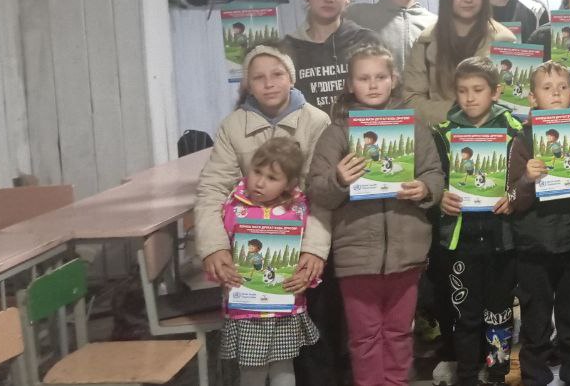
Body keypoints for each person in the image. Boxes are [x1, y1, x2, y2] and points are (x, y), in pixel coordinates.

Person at [193, 46, 335, 385]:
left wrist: (314, 250)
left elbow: (322, 193)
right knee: (252, 358)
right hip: (248, 259)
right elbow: (212, 188)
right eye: (258, 77)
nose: (269, 83)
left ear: (291, 78)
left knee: (304, 352)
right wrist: (214, 247)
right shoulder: (233, 125)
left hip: (300, 251)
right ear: (247, 85)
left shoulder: (317, 122)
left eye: (277, 74)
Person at [307, 45, 445, 386]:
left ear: (393, 79)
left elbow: (434, 173)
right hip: (357, 255)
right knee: (364, 336)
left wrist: (424, 190)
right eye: (364, 78)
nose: (372, 85)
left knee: (399, 332)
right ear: (350, 84)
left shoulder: (414, 127)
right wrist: (339, 179)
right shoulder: (337, 132)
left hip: (407, 252)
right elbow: (316, 189)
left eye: (380, 77)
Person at [509, 61, 570, 386]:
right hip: (533, 247)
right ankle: (534, 377)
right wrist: (527, 179)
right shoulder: (523, 140)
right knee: (535, 319)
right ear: (532, 98)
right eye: (547, 88)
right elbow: (513, 199)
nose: (555, 93)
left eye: (563, 88)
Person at [431, 56, 525, 386]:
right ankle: (468, 375)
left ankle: (497, 373)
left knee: (499, 312)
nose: (470, 97)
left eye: (478, 89)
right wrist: (440, 196)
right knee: (465, 314)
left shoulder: (516, 131)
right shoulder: (443, 134)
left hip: (503, 239)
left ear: (495, 92)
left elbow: (526, 179)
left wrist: (513, 196)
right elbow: (433, 177)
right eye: (462, 90)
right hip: (461, 240)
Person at [218, 137, 322, 386]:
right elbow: (220, 251)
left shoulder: (300, 210)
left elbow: (310, 253)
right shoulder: (233, 206)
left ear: (289, 184)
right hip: (246, 309)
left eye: (272, 178)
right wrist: (222, 273)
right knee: (251, 371)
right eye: (257, 172)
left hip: (285, 306)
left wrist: (307, 278)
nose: (260, 182)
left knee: (283, 368)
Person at [402, 0, 516, 126]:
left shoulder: (505, 40)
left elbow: (513, 104)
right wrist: (458, 115)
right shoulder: (426, 41)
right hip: (439, 135)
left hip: (491, 137)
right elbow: (411, 99)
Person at [283, 0, 381, 113]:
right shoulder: (286, 49)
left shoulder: (367, 41)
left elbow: (390, 97)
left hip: (360, 128)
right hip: (308, 129)